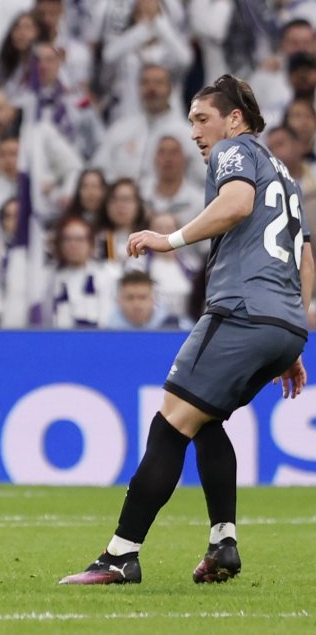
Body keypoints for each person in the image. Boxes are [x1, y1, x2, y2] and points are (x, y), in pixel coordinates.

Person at [60, 75, 312, 585]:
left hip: (240, 311)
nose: (196, 131)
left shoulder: (234, 151)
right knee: (205, 421)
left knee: (169, 425)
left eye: (202, 119)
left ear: (234, 119)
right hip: (282, 321)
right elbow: (305, 253)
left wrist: (169, 238)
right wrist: (293, 328)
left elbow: (238, 203)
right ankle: (223, 544)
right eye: (192, 120)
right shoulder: (283, 173)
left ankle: (119, 556)